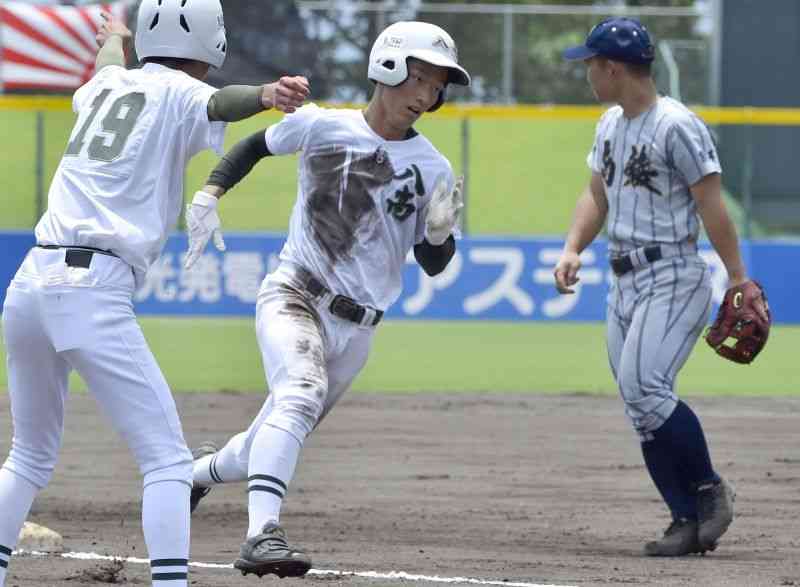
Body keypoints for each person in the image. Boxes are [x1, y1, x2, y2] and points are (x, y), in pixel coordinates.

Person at [0, 1, 308, 584]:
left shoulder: (106, 85)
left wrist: (115, 37)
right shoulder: (179, 93)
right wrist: (267, 96)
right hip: (92, 288)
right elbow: (219, 102)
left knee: (29, 454)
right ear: (211, 42)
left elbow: (109, 59)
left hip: (29, 283)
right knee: (167, 461)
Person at [182, 20, 470, 578]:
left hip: (358, 329)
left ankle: (193, 475)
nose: (425, 94)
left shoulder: (432, 167)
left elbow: (434, 263)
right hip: (296, 293)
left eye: (436, 86)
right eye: (420, 77)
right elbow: (253, 145)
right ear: (387, 68)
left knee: (272, 434)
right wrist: (209, 191)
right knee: (299, 394)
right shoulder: (320, 127)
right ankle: (262, 534)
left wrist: (437, 235)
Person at [555, 17, 747, 557]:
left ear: (613, 68)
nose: (587, 72)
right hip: (623, 281)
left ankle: (710, 490)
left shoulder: (677, 125)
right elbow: (597, 193)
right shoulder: (609, 125)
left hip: (673, 275)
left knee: (646, 388)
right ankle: (684, 519)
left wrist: (736, 277)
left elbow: (712, 204)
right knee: (639, 405)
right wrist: (573, 247)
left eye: (591, 64)